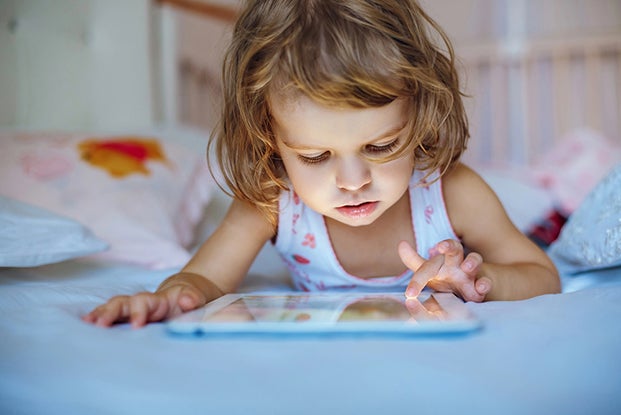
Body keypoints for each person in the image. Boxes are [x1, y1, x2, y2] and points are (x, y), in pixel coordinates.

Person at [83, 0, 560, 328]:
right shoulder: (272, 201)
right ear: (269, 139)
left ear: (418, 115)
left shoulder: (451, 191)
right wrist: (170, 297)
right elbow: (204, 279)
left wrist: (478, 282)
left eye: (380, 147)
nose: (353, 182)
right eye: (314, 156)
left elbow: (541, 274)